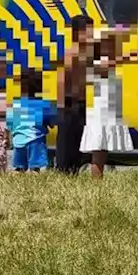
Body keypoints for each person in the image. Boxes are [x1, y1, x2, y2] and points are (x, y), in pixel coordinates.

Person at [80, 26, 134, 178]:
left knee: (102, 152)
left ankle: (98, 179)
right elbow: (112, 63)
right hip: (100, 114)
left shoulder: (105, 63)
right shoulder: (97, 64)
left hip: (109, 112)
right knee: (98, 151)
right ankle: (96, 183)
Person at [55, 15, 95, 175]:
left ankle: (74, 169)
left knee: (79, 142)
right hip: (69, 104)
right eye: (89, 31)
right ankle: (63, 170)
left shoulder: (88, 54)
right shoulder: (71, 54)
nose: (92, 34)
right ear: (78, 32)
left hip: (82, 104)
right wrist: (62, 106)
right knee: (66, 143)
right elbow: (61, 81)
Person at [8, 68, 54, 173]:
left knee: (19, 168)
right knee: (35, 167)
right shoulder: (43, 104)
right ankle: (34, 173)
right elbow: (50, 122)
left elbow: (10, 124)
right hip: (35, 141)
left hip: (18, 141)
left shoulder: (15, 105)